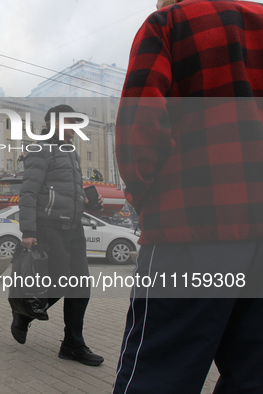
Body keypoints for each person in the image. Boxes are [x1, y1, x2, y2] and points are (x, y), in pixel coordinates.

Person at [113, 0, 263, 392]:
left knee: (158, 370)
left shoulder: (170, 23)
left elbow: (139, 123)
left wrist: (144, 197)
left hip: (193, 227)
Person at [12, 104, 104, 367]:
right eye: (71, 124)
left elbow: (63, 189)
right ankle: (24, 313)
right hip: (48, 227)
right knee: (60, 284)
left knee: (81, 287)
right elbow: (29, 192)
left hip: (73, 227)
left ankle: (72, 344)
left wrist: (85, 199)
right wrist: (28, 230)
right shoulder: (40, 148)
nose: (75, 131)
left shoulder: (71, 152)